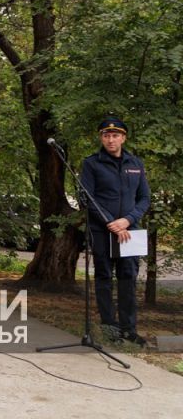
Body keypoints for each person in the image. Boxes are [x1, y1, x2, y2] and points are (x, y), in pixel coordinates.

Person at [79, 116, 150, 347]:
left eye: (115, 135)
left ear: (123, 138)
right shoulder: (92, 163)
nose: (111, 140)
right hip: (102, 231)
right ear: (101, 138)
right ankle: (110, 330)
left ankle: (129, 330)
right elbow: (87, 199)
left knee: (128, 278)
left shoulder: (135, 164)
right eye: (106, 135)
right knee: (104, 279)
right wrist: (111, 223)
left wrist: (127, 220)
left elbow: (144, 198)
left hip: (130, 232)